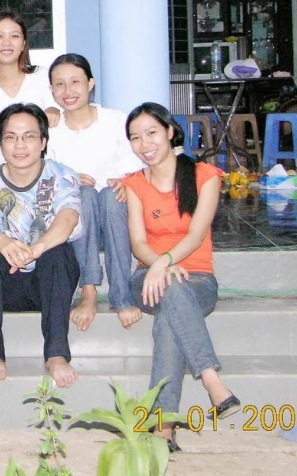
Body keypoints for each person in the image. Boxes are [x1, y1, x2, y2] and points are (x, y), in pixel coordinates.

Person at [123, 102, 240, 452]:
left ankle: (163, 426)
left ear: (171, 132)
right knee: (169, 290)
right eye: (135, 137)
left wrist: (167, 263)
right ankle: (210, 377)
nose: (144, 143)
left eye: (151, 133)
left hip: (198, 280)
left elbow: (196, 234)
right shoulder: (133, 184)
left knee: (168, 320)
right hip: (146, 279)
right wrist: (159, 265)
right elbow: (137, 243)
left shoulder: (205, 176)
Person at [0, 102, 82, 388]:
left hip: (49, 282)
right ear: (0, 143)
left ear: (43, 142)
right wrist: (2, 240)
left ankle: (56, 354)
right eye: (11, 137)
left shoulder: (62, 174)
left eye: (29, 137)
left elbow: (67, 219)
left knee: (60, 251)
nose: (20, 145)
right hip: (5, 284)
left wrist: (36, 249)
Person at [45, 53, 144, 332]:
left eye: (75, 81)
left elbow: (136, 165)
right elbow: (45, 174)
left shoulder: (116, 121)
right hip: (77, 221)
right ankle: (89, 292)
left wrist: (128, 181)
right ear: (51, 90)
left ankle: (121, 294)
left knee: (111, 198)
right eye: (60, 84)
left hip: (117, 213)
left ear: (91, 83)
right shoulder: (50, 131)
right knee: (83, 194)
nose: (68, 91)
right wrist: (69, 179)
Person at [0, 9, 60, 171]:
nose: (7, 43)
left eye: (14, 36)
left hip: (46, 174)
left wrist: (55, 109)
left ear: (24, 44)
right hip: (4, 175)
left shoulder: (43, 76)